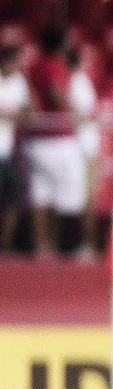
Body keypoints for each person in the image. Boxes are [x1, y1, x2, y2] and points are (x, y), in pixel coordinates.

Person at [21, 29, 88, 258]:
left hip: (36, 140)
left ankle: (42, 246)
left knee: (40, 196)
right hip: (57, 140)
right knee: (64, 197)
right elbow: (54, 91)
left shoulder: (33, 65)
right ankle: (61, 244)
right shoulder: (53, 65)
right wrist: (73, 113)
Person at [67, 47, 100, 258]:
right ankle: (85, 242)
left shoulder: (78, 83)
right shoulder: (76, 81)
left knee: (87, 199)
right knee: (81, 199)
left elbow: (85, 115)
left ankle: (89, 243)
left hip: (85, 148)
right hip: (79, 147)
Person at [0, 45, 27, 250]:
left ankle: (5, 244)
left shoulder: (19, 82)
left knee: (13, 198)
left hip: (8, 150)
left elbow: (31, 109)